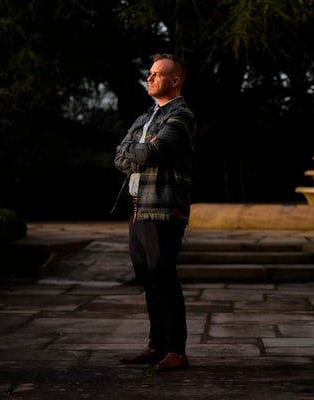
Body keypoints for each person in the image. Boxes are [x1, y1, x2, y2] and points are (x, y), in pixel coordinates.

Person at [113, 53, 195, 371]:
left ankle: (177, 350)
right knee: (148, 280)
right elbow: (119, 156)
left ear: (175, 80)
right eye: (149, 73)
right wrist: (136, 151)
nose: (150, 78)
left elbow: (152, 152)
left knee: (163, 278)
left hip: (163, 208)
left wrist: (135, 150)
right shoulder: (146, 117)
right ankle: (157, 346)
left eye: (157, 74)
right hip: (138, 208)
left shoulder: (181, 115)